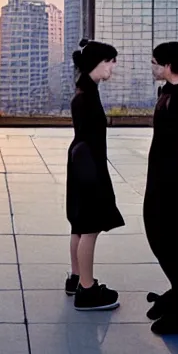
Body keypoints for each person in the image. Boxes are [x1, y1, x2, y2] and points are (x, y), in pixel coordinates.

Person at [65, 38, 125, 311]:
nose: (112, 66)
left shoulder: (86, 89)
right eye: (109, 61)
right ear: (96, 64)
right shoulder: (87, 95)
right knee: (90, 227)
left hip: (81, 160)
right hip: (88, 163)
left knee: (80, 224)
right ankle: (87, 291)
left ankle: (77, 277)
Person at [144, 41, 178, 335]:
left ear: (166, 65)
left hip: (172, 180)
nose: (152, 67)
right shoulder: (166, 92)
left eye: (154, 62)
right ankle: (176, 292)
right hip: (159, 177)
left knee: (171, 241)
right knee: (158, 235)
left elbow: (177, 145)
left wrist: (171, 183)